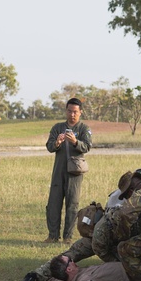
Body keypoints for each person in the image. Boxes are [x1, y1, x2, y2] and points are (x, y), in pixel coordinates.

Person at [44, 98, 92, 243]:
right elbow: (49, 146)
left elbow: (87, 146)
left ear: (80, 113)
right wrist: (57, 143)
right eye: (70, 111)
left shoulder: (84, 129)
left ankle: (67, 237)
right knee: (54, 203)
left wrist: (75, 142)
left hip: (75, 172)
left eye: (75, 112)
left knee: (72, 204)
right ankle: (53, 236)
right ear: (66, 111)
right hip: (59, 171)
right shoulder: (58, 127)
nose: (72, 114)